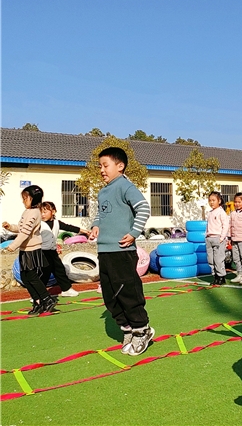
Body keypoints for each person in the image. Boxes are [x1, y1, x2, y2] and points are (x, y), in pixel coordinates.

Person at [88, 147, 153, 356]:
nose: (101, 170)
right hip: (105, 250)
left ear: (120, 166)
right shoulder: (103, 191)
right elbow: (101, 214)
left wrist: (134, 233)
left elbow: (143, 208)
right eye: (100, 166)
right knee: (109, 294)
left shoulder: (125, 186)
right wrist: (96, 225)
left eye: (105, 165)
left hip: (122, 250)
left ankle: (141, 329)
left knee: (127, 292)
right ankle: (127, 329)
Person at [2, 185, 56, 315]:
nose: (23, 201)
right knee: (25, 278)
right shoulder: (27, 212)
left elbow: (26, 233)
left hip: (32, 250)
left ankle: (47, 299)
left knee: (32, 277)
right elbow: (21, 228)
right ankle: (38, 301)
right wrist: (10, 227)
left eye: (25, 198)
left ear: (33, 199)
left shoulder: (35, 213)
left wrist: (13, 245)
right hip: (24, 249)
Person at [40, 201, 89, 297]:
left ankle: (66, 289)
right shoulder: (39, 224)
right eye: (41, 212)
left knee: (60, 270)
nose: (42, 215)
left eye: (45, 212)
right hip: (42, 252)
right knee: (44, 273)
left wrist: (84, 231)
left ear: (53, 212)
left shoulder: (57, 223)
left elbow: (69, 227)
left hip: (52, 252)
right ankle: (38, 295)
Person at [205, 191, 229, 286]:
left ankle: (221, 277)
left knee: (218, 259)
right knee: (210, 259)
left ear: (219, 201)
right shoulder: (210, 213)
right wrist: (206, 235)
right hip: (209, 238)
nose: (211, 202)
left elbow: (225, 225)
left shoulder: (221, 212)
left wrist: (222, 238)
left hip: (218, 238)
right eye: (210, 200)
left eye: (213, 200)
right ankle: (215, 276)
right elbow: (208, 225)